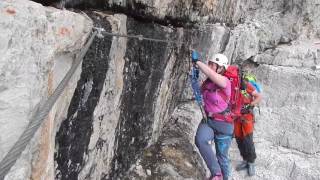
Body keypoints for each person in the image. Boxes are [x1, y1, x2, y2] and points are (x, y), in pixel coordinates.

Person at [192, 51, 233, 180]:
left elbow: (210, 73)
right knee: (200, 140)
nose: (209, 66)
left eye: (212, 64)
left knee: (222, 158)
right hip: (208, 120)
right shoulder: (208, 82)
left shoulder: (225, 81)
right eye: (209, 63)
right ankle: (217, 174)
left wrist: (198, 62)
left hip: (224, 125)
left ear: (220, 68)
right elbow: (201, 93)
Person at [234, 73, 262, 176]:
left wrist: (250, 105)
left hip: (247, 117)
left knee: (248, 140)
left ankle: (251, 162)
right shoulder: (233, 85)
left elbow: (258, 96)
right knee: (239, 139)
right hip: (237, 117)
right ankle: (245, 160)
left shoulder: (247, 85)